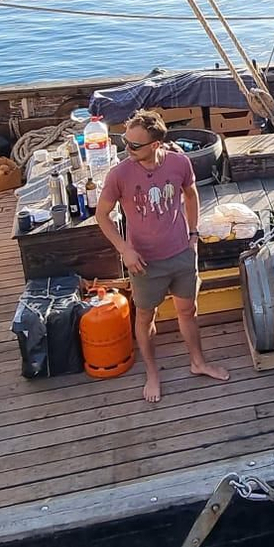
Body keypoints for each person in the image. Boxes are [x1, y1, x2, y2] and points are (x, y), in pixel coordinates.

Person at [96, 109, 228, 403]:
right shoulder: (119, 174)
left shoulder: (180, 163)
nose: (126, 149)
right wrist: (125, 250)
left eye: (134, 145)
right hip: (144, 262)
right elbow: (101, 216)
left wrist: (193, 234)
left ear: (155, 145)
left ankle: (198, 362)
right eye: (124, 141)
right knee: (145, 316)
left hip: (181, 253)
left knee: (188, 311)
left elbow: (191, 195)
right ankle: (152, 373)